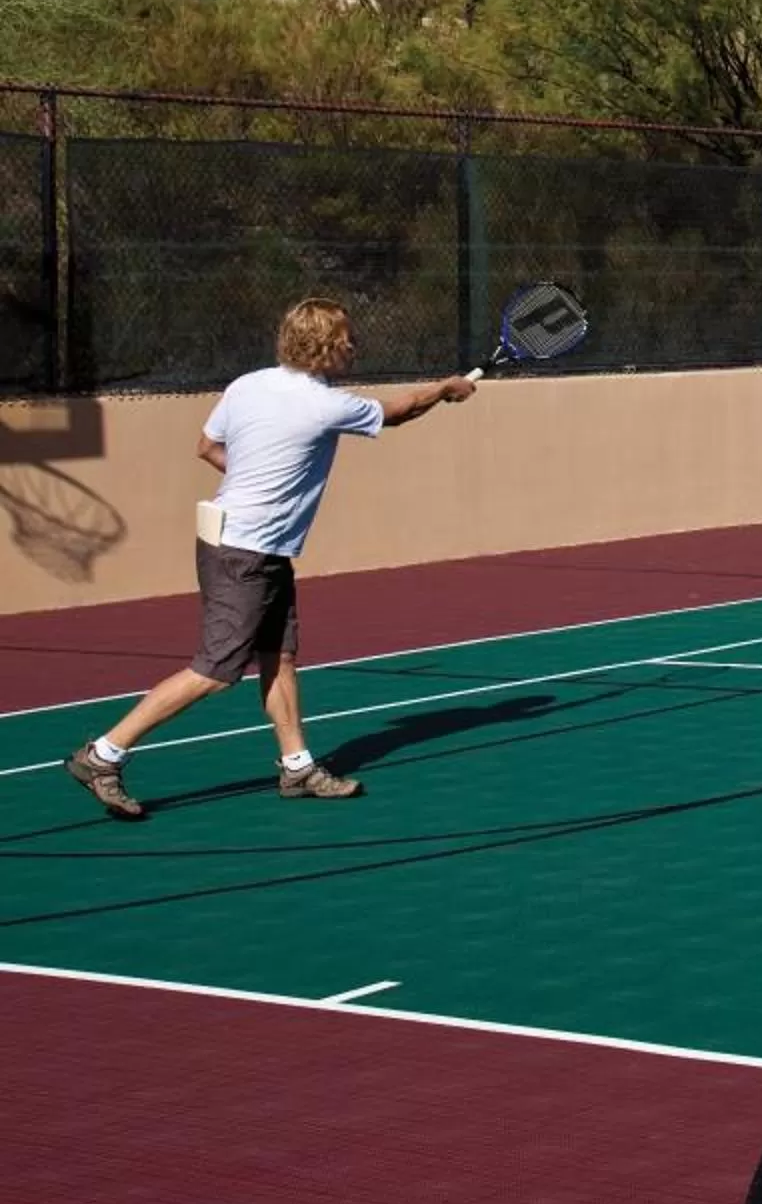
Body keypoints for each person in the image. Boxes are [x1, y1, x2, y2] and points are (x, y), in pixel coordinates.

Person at [65, 299, 476, 820]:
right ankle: (103, 755)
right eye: (347, 338)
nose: (354, 346)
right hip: (245, 551)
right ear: (326, 345)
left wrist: (256, 478)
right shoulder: (325, 405)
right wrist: (444, 389)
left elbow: (206, 446)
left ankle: (297, 767)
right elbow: (400, 412)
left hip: (252, 545)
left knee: (278, 656)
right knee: (215, 671)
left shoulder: (247, 385)